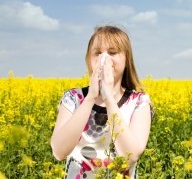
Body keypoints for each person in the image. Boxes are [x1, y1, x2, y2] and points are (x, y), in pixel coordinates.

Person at [51, 25, 152, 179]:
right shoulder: (73, 98)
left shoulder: (138, 102)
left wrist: (108, 98)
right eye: (97, 53)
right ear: (89, 60)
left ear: (126, 59)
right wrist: (91, 96)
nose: (104, 58)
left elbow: (129, 157)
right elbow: (59, 152)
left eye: (112, 52)